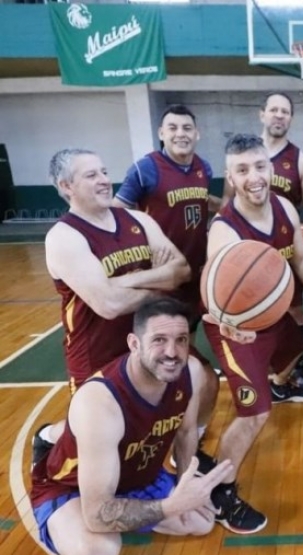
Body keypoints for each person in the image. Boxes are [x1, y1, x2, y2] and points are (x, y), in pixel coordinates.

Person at [30, 298, 235, 555]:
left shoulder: (190, 371)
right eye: (159, 340)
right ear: (134, 343)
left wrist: (183, 483)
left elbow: (187, 431)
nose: (172, 352)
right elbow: (98, 513)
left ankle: (128, 511)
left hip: (135, 473)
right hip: (71, 488)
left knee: (200, 522)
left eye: (180, 340)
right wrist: (169, 506)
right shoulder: (99, 401)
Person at [202, 134, 303, 533]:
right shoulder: (225, 231)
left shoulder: (285, 207)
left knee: (297, 345)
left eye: (260, 167)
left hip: (273, 318)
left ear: (271, 168)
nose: (254, 177)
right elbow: (221, 303)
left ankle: (277, 382)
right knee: (254, 414)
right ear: (230, 177)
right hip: (236, 330)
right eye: (242, 170)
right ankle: (221, 496)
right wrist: (232, 328)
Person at [33, 148, 191, 460]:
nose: (105, 180)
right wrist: (159, 286)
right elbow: (108, 304)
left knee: (181, 394)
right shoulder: (64, 237)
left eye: (104, 171)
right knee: (95, 430)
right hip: (95, 352)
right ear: (67, 186)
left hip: (144, 342)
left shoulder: (137, 219)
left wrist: (130, 279)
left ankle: (173, 459)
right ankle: (48, 437)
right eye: (91, 175)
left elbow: (181, 270)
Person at [113, 104, 222, 451]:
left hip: (196, 280)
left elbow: (202, 202)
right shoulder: (146, 169)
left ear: (197, 132)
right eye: (172, 127)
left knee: (185, 362)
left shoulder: (203, 167)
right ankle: (153, 435)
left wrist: (231, 208)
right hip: (162, 286)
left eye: (187, 127)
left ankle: (192, 432)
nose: (180, 133)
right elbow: (117, 215)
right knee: (172, 366)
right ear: (161, 133)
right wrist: (141, 258)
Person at [223, 92, 303, 387]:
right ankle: (257, 364)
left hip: (283, 247)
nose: (279, 115)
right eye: (274, 110)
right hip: (248, 248)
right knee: (248, 310)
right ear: (262, 114)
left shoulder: (300, 161)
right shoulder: (242, 155)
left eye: (285, 111)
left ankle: (296, 365)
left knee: (293, 309)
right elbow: (228, 200)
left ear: (291, 119)